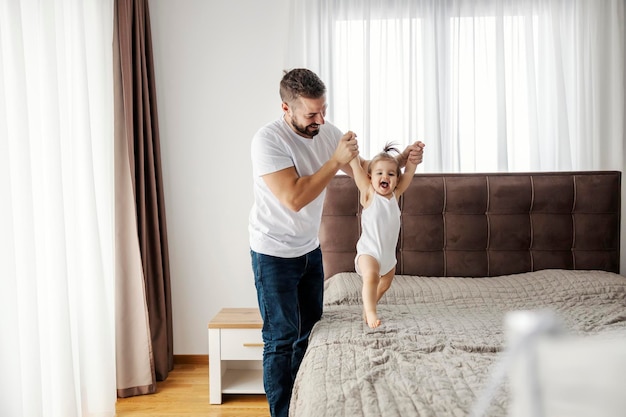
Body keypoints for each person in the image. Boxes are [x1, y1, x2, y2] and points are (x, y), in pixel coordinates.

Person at [248, 68, 424, 417]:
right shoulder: (268, 141)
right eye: (311, 114)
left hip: (309, 250)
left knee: (311, 330)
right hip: (273, 252)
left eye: (323, 110)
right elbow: (295, 198)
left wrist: (403, 160)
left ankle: (303, 401)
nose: (321, 119)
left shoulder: (326, 131)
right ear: (286, 109)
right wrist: (335, 160)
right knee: (281, 338)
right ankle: (281, 412)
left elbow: (368, 171)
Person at [349, 141, 424, 328]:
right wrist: (351, 156)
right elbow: (356, 169)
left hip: (388, 256)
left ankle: (369, 304)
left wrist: (413, 158)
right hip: (369, 252)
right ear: (370, 177)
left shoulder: (395, 195)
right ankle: (371, 312)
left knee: (385, 284)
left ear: (396, 180)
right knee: (372, 277)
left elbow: (408, 173)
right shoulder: (368, 194)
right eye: (379, 173)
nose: (385, 177)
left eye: (391, 174)